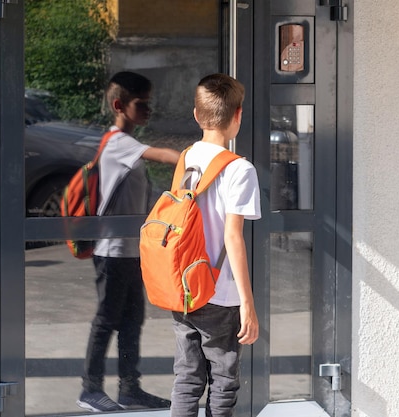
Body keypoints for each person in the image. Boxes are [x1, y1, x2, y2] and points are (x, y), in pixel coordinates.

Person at [77, 71, 180, 412]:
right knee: (107, 319)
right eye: (142, 104)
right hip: (112, 251)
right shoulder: (119, 143)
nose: (149, 109)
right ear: (120, 105)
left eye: (150, 103)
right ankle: (90, 390)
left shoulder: (127, 145)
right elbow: (165, 156)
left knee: (132, 319)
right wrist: (204, 157)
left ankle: (129, 389)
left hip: (130, 251)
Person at [170, 73, 261, 417]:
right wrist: (247, 304)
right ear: (238, 115)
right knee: (223, 381)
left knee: (187, 378)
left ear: (196, 115)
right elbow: (232, 237)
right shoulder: (239, 170)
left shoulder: (187, 157)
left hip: (182, 287)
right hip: (219, 294)